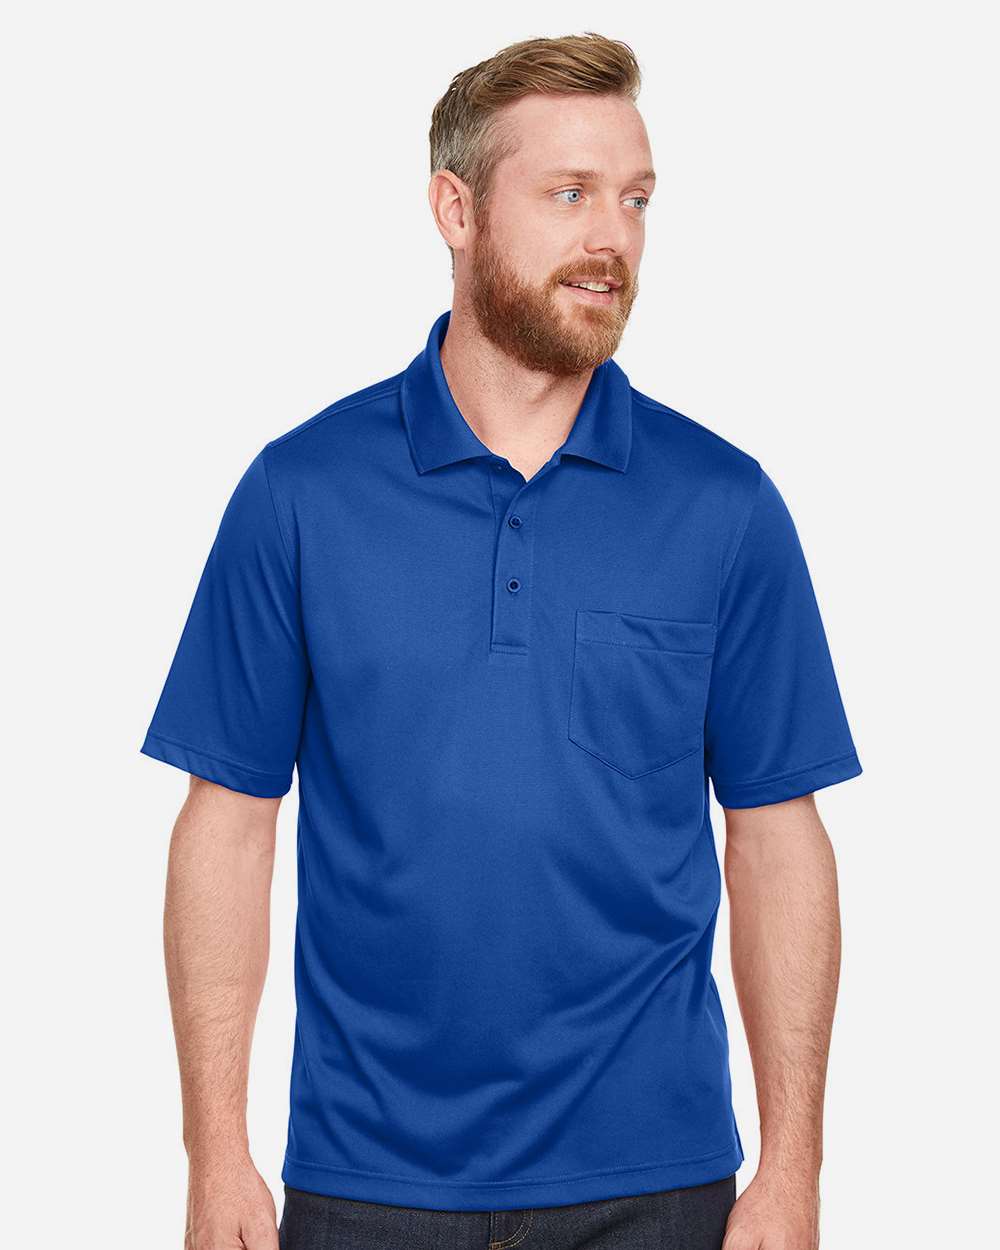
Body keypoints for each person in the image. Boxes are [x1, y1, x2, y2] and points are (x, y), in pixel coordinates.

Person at [141, 32, 862, 1250]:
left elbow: (777, 837)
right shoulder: (300, 492)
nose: (613, 236)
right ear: (455, 209)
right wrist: (216, 1154)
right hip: (367, 1181)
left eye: (636, 198)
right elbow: (229, 824)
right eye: (569, 193)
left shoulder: (724, 505)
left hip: (656, 1182)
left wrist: (794, 1168)